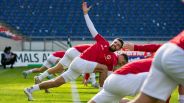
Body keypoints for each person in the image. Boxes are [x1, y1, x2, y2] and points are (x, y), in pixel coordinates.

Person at [24, 2, 126, 101]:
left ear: (119, 49)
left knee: (56, 83)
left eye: (118, 45)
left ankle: (30, 89)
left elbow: (109, 76)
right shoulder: (103, 41)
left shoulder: (112, 58)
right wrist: (85, 13)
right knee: (103, 68)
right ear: (112, 42)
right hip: (80, 61)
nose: (115, 44)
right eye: (115, 42)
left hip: (79, 68)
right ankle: (101, 97)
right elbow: (92, 28)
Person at [128, 30, 184, 103]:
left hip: (167, 49)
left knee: (146, 99)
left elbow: (157, 47)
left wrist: (136, 47)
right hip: (177, 55)